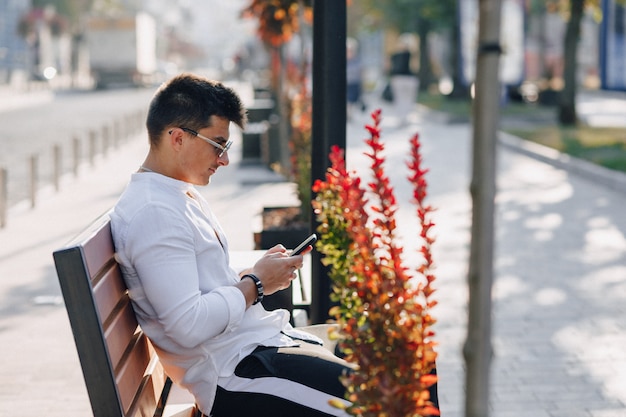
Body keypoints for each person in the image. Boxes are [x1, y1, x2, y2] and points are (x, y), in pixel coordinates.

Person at [109, 73, 352, 417]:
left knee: (404, 360)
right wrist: (256, 284)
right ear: (177, 138)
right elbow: (188, 324)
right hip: (234, 376)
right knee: (387, 396)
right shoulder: (155, 213)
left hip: (254, 349)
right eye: (218, 145)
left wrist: (256, 276)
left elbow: (199, 292)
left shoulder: (174, 195)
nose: (223, 160)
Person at [388, 33, 419, 126]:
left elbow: (389, 68)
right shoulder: (412, 55)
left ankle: (402, 117)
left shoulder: (395, 55)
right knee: (406, 99)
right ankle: (404, 117)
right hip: (407, 79)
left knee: (400, 99)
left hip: (399, 79)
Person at [346, 37, 366, 120]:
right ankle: (347, 114)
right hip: (346, 83)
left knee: (352, 100)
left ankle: (350, 114)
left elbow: (361, 71)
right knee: (347, 100)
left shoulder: (357, 60)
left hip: (354, 83)